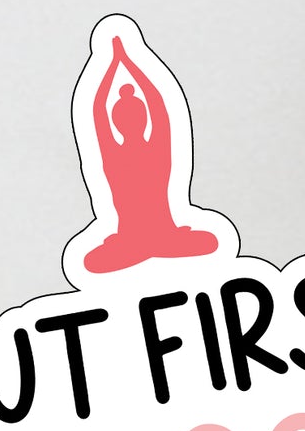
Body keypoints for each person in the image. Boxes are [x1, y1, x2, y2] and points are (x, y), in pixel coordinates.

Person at [82, 36, 220, 273]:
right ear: (119, 122)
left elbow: (104, 111)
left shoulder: (143, 150)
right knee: (91, 263)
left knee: (209, 242)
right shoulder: (127, 153)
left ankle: (148, 247)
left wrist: (119, 63)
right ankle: (148, 246)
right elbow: (150, 104)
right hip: (140, 240)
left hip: (157, 236)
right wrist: (121, 62)